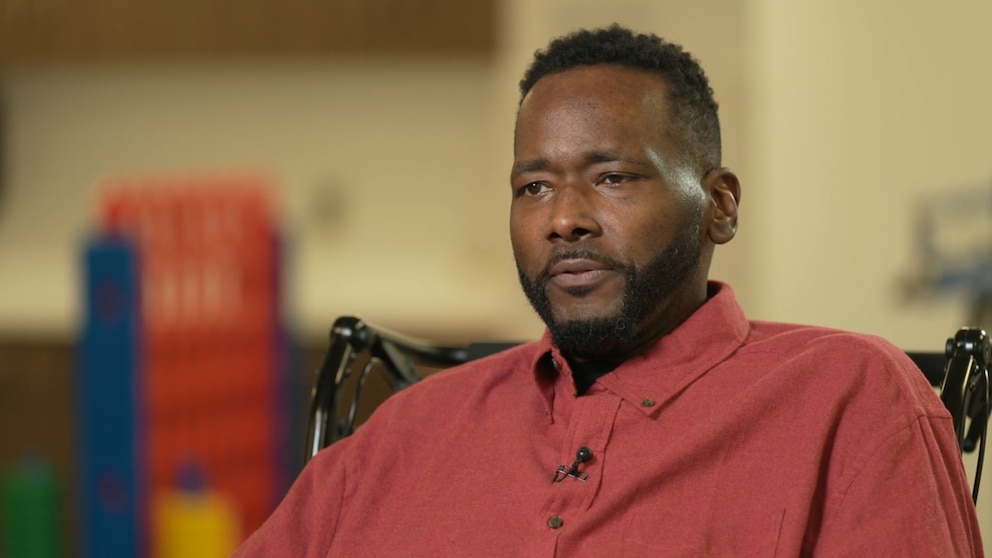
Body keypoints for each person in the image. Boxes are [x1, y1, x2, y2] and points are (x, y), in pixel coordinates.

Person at [234, 24, 983, 556]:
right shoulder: (403, 435)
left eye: (614, 178)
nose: (563, 219)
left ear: (720, 205)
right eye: (533, 186)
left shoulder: (851, 396)